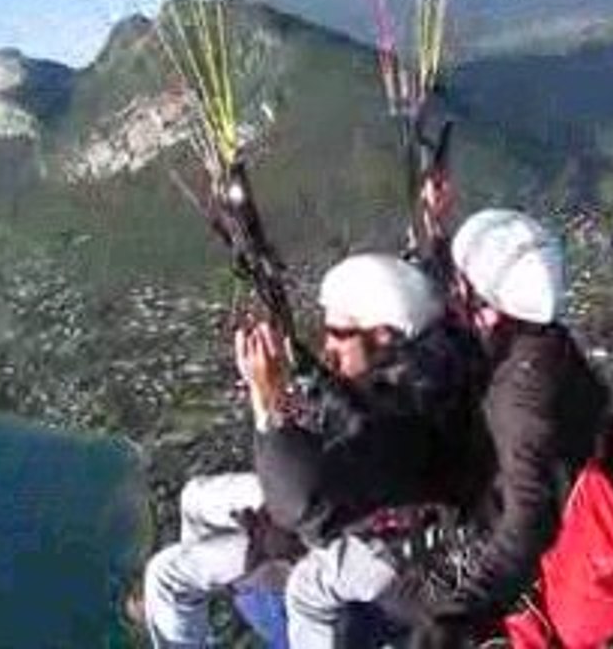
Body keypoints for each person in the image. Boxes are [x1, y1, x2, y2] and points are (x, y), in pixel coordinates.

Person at [138, 253, 488, 649]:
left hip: (376, 548)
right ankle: (217, 583)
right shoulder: (427, 369)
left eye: (337, 333)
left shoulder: (398, 423)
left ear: (383, 335)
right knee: (197, 496)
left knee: (166, 575)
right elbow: (355, 412)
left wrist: (267, 399)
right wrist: (305, 369)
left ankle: (230, 590)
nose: (327, 345)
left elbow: (301, 508)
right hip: (371, 517)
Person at [380, 208, 613, 648]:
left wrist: (455, 619)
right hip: (580, 511)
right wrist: (435, 241)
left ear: (488, 305)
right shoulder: (534, 341)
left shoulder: (523, 401)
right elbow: (468, 308)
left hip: (572, 571)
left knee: (402, 599)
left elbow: (527, 525)